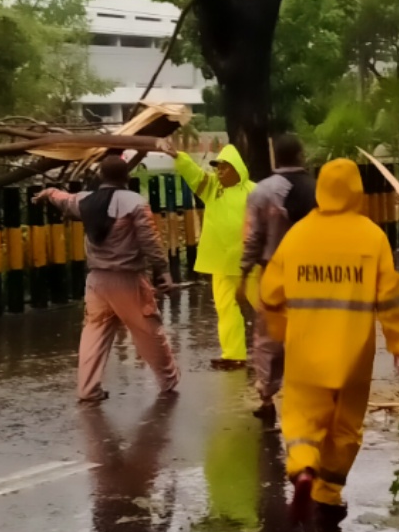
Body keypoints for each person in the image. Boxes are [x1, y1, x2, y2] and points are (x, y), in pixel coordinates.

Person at [259, 157, 399, 532]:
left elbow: (269, 293)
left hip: (306, 352)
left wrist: (279, 328)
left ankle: (303, 468)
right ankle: (328, 498)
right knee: (345, 429)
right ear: (357, 190)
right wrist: (398, 340)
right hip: (353, 355)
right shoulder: (371, 236)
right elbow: (390, 295)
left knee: (300, 420)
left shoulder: (298, 235)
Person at [36, 154, 182, 404]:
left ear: (101, 176)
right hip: (127, 280)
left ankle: (87, 389)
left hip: (96, 281)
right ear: (127, 177)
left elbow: (63, 200)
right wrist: (164, 272)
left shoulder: (84, 201)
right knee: (148, 330)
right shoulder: (135, 203)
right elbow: (150, 242)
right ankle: (168, 381)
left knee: (94, 333)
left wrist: (49, 192)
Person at [241, 133, 317, 418]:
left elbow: (253, 237)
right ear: (300, 155)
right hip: (313, 275)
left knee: (268, 337)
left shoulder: (261, 191)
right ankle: (310, 394)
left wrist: (244, 271)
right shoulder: (317, 189)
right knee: (309, 333)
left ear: (277, 158)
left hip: (274, 274)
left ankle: (267, 399)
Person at [175, 143, 255, 368]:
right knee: (226, 309)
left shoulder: (255, 191)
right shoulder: (212, 188)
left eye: (224, 168)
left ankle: (294, 345)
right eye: (217, 168)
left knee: (269, 306)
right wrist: (178, 156)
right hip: (221, 263)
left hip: (250, 262)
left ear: (237, 169)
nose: (219, 172)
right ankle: (233, 354)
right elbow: (193, 174)